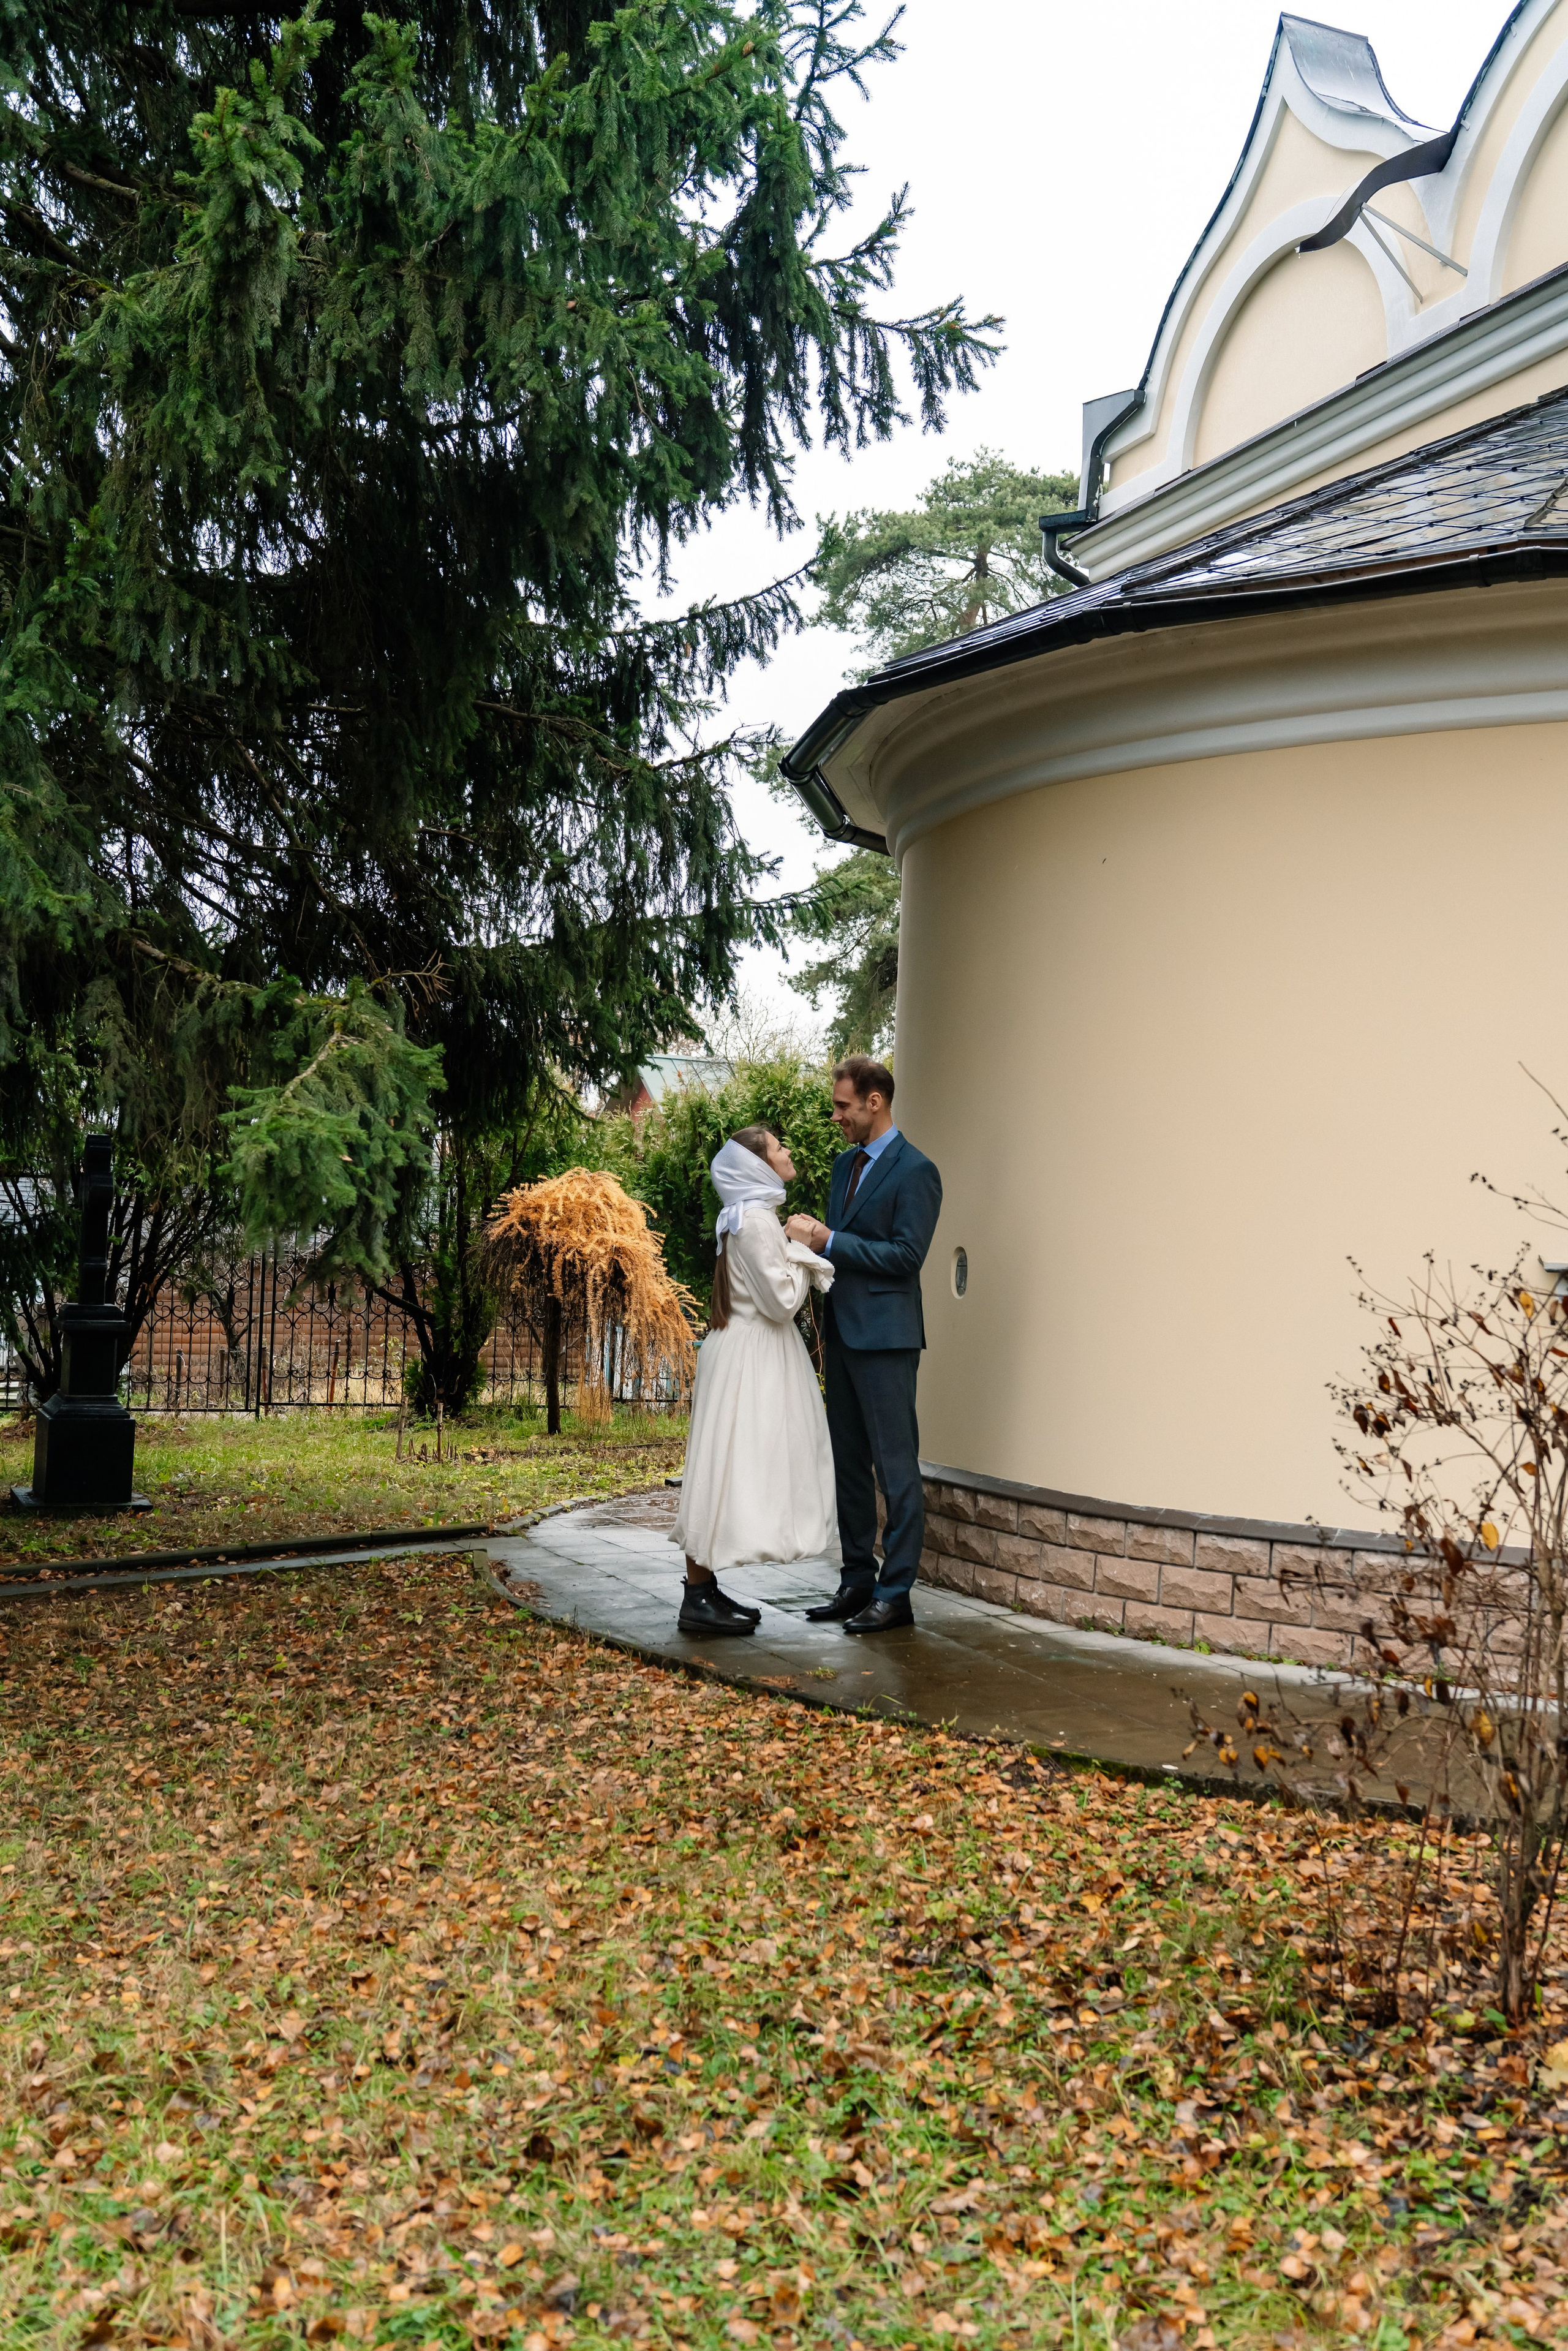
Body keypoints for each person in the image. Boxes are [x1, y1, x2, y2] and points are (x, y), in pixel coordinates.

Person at [785, 1056, 942, 1633]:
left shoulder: (917, 1171)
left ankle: (895, 1594)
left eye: (843, 1106)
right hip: (842, 1336)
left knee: (895, 1470)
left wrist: (829, 1238)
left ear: (875, 1102)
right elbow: (835, 1255)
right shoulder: (841, 1166)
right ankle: (857, 1582)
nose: (837, 1116)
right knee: (848, 1465)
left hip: (888, 1340)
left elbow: (906, 1257)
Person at [671, 1126, 837, 1636]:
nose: (787, 1152)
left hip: (741, 1347)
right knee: (737, 1465)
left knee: (726, 1464)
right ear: (756, 1164)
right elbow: (782, 1303)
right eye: (778, 1147)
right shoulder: (758, 1221)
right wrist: (803, 1247)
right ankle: (698, 1598)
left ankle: (703, 1591)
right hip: (754, 1354)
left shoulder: (742, 1215)